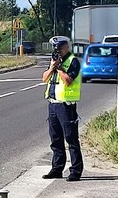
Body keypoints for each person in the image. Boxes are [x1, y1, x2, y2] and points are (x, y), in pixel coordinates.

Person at [42, 36, 83, 182]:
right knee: (55, 139)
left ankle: (75, 171)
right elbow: (44, 78)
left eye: (59, 48)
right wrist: (53, 67)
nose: (57, 51)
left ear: (66, 47)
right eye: (55, 48)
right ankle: (57, 169)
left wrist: (59, 68)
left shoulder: (73, 62)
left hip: (66, 106)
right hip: (53, 104)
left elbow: (68, 81)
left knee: (71, 139)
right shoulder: (54, 61)